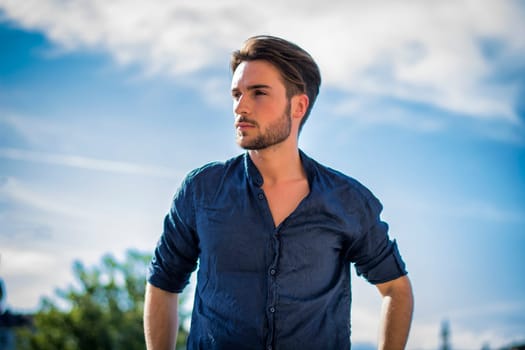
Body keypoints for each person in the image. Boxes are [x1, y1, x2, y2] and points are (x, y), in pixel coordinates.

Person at [144, 35, 414, 350]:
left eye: (258, 93)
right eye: (236, 94)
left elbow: (396, 288)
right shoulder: (202, 191)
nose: (240, 106)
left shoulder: (348, 202)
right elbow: (163, 283)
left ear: (298, 105)